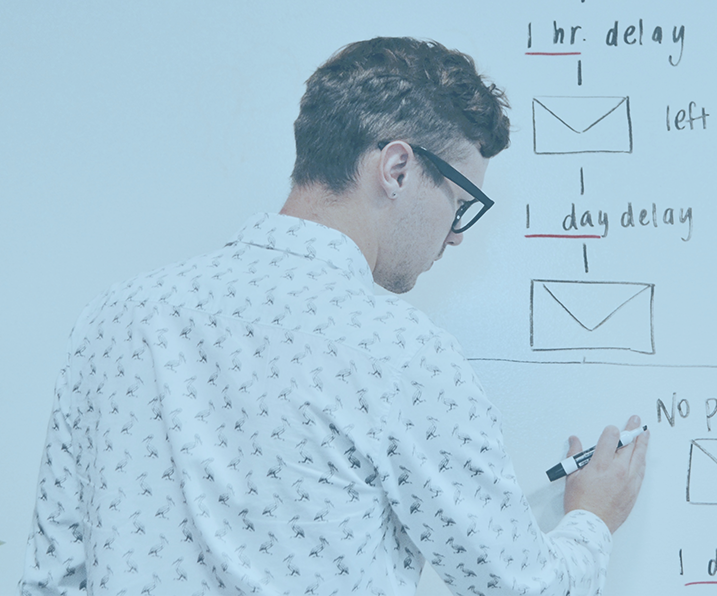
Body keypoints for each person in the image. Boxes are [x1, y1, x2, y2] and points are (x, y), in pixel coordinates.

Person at [21, 37, 648, 596]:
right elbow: (518, 588)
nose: (455, 236)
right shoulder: (404, 353)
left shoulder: (116, 318)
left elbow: (51, 580)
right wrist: (593, 518)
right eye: (460, 203)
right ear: (397, 169)